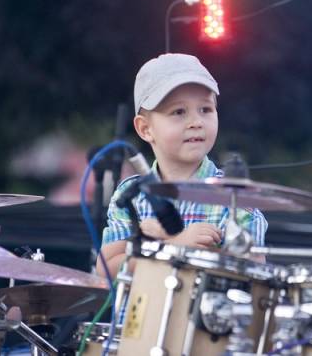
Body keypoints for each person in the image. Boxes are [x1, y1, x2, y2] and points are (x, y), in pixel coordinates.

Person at [98, 53, 268, 279]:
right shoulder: (130, 194)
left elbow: (254, 273)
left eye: (205, 109)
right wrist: (173, 246)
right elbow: (105, 268)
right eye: (178, 112)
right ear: (145, 129)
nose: (196, 122)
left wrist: (171, 247)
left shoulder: (236, 196)